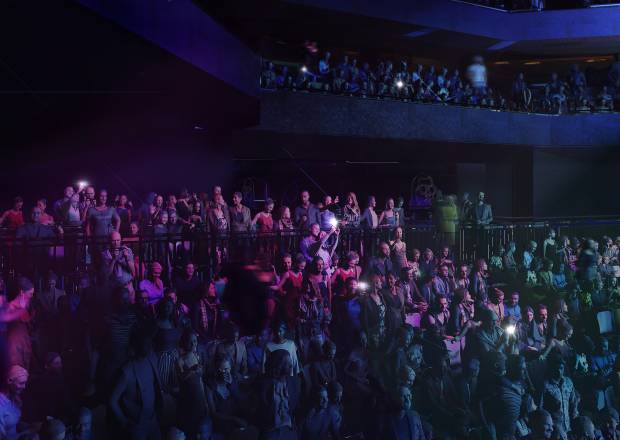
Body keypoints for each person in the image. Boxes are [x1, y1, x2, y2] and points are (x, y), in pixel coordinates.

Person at [108, 328, 163, 440]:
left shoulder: (152, 359)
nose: (149, 346)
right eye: (145, 343)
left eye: (149, 342)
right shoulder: (127, 371)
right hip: (137, 425)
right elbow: (112, 400)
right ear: (137, 345)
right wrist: (124, 422)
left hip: (153, 419)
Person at [539, 355, 579, 436]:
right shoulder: (545, 385)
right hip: (554, 430)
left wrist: (575, 420)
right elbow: (540, 408)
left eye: (561, 368)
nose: (559, 371)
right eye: (556, 368)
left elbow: (573, 403)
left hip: (568, 427)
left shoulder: (568, 382)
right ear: (551, 369)